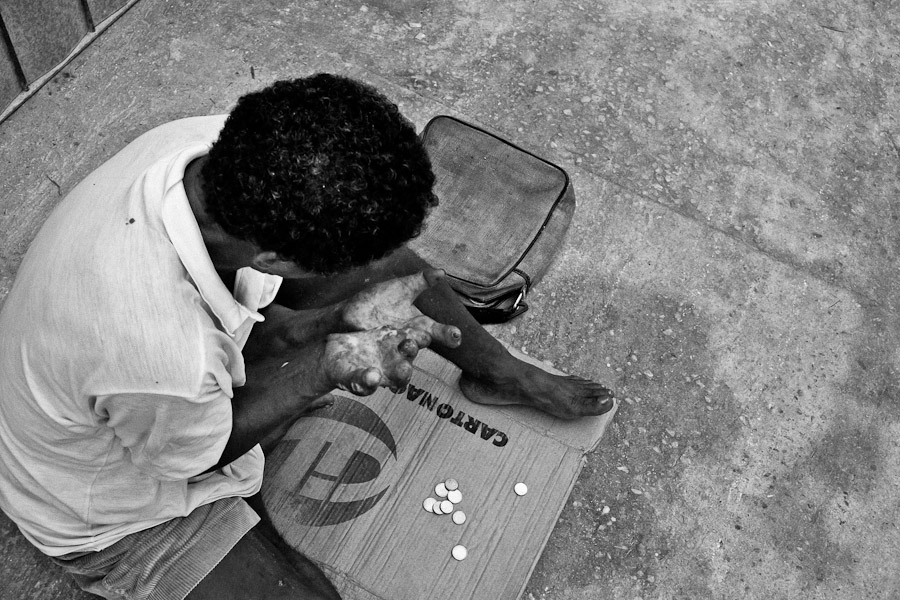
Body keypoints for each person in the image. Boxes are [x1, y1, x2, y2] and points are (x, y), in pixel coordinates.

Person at [0, 74, 613, 600]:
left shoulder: (210, 148)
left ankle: (498, 371)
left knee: (385, 267)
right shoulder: (159, 352)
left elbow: (352, 259)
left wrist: (326, 316)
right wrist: (324, 362)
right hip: (102, 504)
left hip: (135, 378)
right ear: (272, 258)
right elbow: (196, 459)